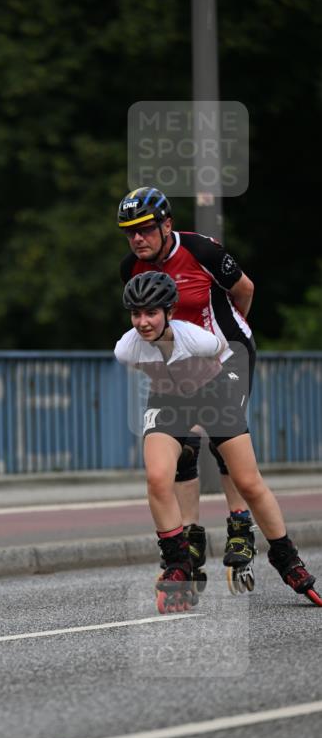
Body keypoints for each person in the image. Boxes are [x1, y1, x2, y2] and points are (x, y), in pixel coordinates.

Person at [114, 270, 321, 612]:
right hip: (167, 401)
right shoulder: (126, 348)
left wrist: (208, 416)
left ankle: (288, 561)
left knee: (248, 482)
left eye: (151, 312)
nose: (143, 322)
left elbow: (228, 359)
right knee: (156, 478)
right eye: (136, 314)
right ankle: (178, 563)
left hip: (215, 395)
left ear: (169, 312)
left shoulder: (198, 338)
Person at [117, 186, 257, 593]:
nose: (137, 239)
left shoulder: (202, 251)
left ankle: (239, 523)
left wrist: (231, 332)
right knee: (181, 445)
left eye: (145, 229)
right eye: (130, 233)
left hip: (228, 353)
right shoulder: (131, 268)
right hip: (177, 362)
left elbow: (244, 289)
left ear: (166, 225)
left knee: (221, 437)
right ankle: (191, 537)